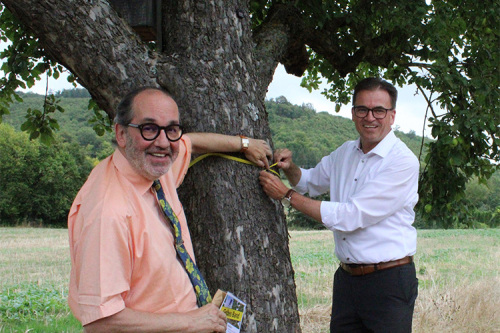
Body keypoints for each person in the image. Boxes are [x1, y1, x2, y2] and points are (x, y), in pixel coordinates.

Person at [68, 86, 272, 332]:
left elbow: (191, 142)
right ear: (121, 134)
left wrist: (244, 144)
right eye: (149, 128)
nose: (163, 142)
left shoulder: (153, 168)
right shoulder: (108, 212)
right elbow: (101, 321)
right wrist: (191, 322)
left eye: (172, 129)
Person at [259, 78, 419, 332]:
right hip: (347, 280)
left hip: (388, 282)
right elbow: (310, 181)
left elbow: (351, 216)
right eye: (362, 109)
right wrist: (291, 169)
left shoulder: (402, 162)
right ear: (353, 113)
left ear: (392, 116)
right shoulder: (345, 152)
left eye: (379, 110)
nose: (370, 117)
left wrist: (287, 194)